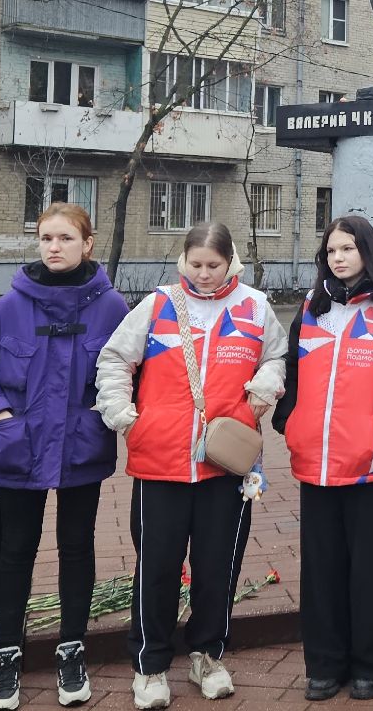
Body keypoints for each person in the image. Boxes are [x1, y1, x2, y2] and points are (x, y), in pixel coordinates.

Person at [95, 222, 287, 708]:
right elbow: (115, 358)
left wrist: (259, 398)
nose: (203, 275)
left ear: (231, 262)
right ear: (183, 261)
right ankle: (151, 665)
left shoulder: (255, 306)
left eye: (214, 266)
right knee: (157, 567)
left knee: (217, 566)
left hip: (227, 464)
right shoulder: (157, 305)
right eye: (195, 265)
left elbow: (277, 357)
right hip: (160, 461)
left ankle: (207, 655)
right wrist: (124, 415)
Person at [0, 203, 128, 711]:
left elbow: (134, 372)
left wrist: (107, 414)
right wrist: (0, 413)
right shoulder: (10, 306)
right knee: (15, 551)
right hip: (18, 450)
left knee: (77, 547)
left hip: (81, 447)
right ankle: (8, 655)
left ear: (87, 244)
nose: (54, 247)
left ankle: (72, 650)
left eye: (65, 238)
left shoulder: (111, 306)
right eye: (46, 238)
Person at [272, 215, 373, 702]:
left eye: (347, 249)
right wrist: (288, 420)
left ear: (368, 252)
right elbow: (291, 370)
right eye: (331, 251)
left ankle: (370, 666)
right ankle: (324, 664)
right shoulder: (312, 307)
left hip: (369, 464)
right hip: (316, 463)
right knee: (320, 570)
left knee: (367, 570)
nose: (338, 258)